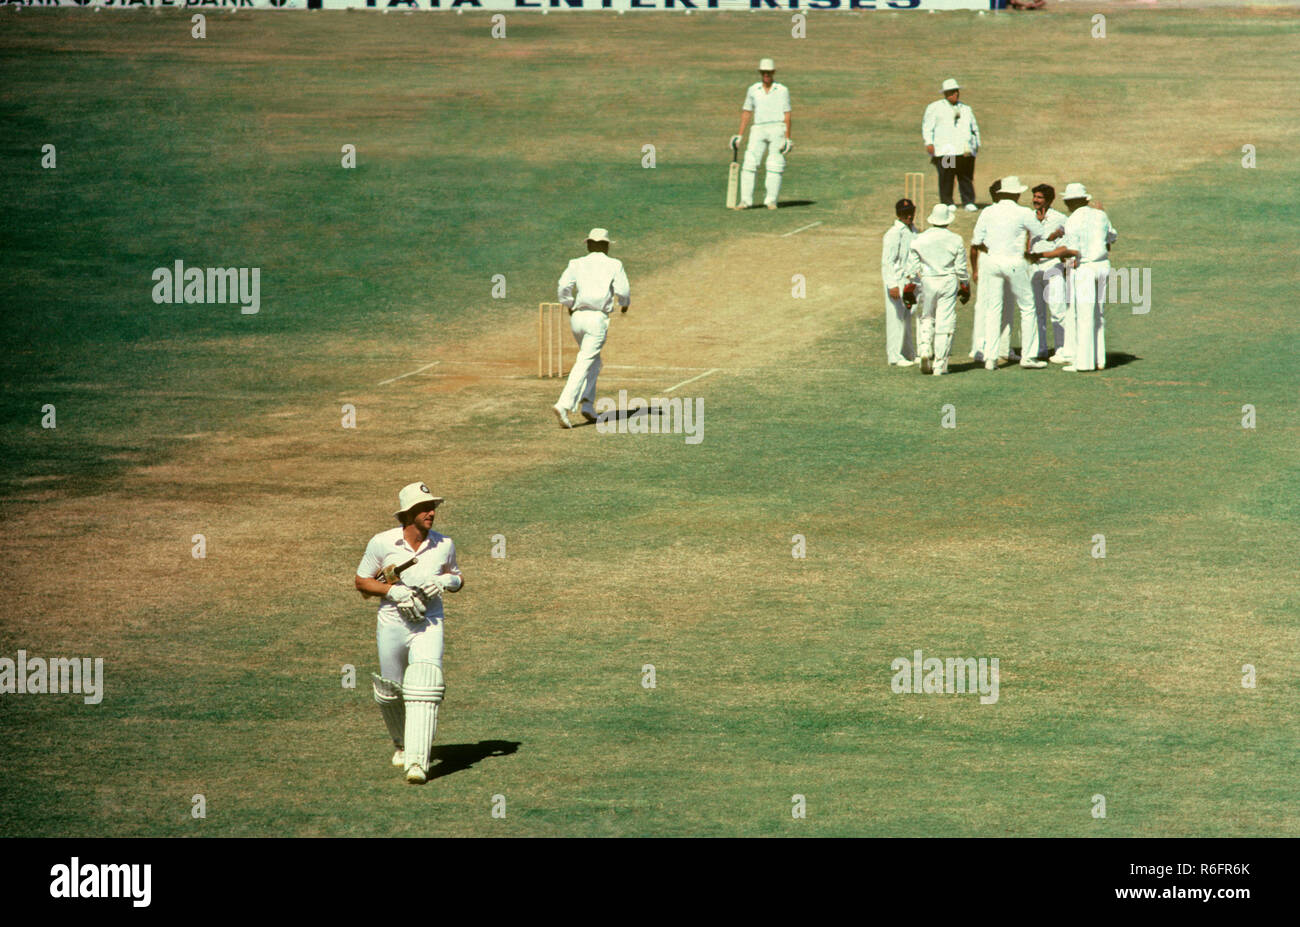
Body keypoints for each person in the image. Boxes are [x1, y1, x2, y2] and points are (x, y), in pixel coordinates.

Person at [354, 482, 464, 785]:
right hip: (393, 622)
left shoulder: (444, 544)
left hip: (429, 621)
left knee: (425, 682)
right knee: (392, 690)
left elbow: (457, 577)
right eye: (424, 508)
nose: (431, 512)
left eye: (433, 508)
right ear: (409, 514)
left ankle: (418, 762)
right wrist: (395, 592)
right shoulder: (382, 542)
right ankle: (401, 744)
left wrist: (445, 583)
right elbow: (362, 582)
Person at [1033, 183, 1117, 372]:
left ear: (1069, 202)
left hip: (1085, 268)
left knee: (1084, 316)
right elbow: (1111, 237)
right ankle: (1099, 360)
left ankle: (1084, 363)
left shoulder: (1072, 220)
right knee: (1099, 314)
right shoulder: (1101, 214)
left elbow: (1072, 251)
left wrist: (1048, 254)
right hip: (1103, 265)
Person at [552, 228, 631, 428]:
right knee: (585, 361)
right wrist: (624, 303)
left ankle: (587, 405)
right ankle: (563, 404)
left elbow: (563, 287)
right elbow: (623, 290)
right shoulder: (614, 264)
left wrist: (569, 304)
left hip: (577, 318)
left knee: (594, 362)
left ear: (588, 244)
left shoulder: (576, 263)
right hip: (597, 319)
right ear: (606, 245)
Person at [969, 176, 1045, 370]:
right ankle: (1028, 357)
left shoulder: (988, 211)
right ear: (1017, 194)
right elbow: (1040, 232)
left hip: (992, 262)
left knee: (993, 309)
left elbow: (977, 240)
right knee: (1028, 308)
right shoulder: (1023, 212)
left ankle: (990, 358)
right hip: (1014, 263)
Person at [905, 204, 970, 376]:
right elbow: (961, 269)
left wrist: (910, 285)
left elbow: (912, 268)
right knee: (945, 322)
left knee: (927, 317)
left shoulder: (919, 239)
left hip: (927, 280)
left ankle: (925, 350)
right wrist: (965, 284)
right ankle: (940, 365)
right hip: (947, 281)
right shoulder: (956, 239)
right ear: (948, 220)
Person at [730, 58, 792, 211]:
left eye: (769, 72)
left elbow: (787, 114)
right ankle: (745, 201)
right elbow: (747, 111)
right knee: (749, 163)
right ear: (760, 73)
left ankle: (771, 201)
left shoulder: (782, 90)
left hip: (777, 128)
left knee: (775, 164)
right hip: (758, 128)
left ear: (773, 73)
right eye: (764, 72)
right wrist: (740, 135)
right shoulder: (753, 89)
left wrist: (787, 138)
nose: (766, 75)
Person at [922, 78, 981, 213]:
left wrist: (977, 143)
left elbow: (974, 127)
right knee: (947, 176)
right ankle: (947, 202)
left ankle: (968, 201)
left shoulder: (966, 109)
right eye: (951, 92)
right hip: (946, 149)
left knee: (965, 176)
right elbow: (927, 127)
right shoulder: (935, 108)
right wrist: (929, 142)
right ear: (945, 93)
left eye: (956, 92)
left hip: (964, 149)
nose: (955, 94)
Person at [1029, 184, 1070, 362]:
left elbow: (1066, 246)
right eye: (1034, 197)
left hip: (1053, 267)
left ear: (1049, 200)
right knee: (1037, 311)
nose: (1035, 200)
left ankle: (1062, 349)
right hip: (1033, 269)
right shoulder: (1028, 217)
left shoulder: (1061, 218)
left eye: (1039, 197)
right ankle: (1041, 348)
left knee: (1058, 310)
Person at [881, 198, 919, 367]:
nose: (909, 216)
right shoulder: (893, 233)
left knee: (907, 317)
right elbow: (887, 261)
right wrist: (892, 284)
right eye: (905, 214)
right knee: (896, 318)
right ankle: (894, 356)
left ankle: (909, 353)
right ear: (898, 215)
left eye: (911, 212)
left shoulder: (913, 230)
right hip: (897, 280)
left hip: (910, 280)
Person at [968, 178, 1001, 362]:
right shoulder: (988, 213)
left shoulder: (1014, 213)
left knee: (1004, 306)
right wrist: (975, 270)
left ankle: (1002, 348)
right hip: (989, 262)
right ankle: (979, 348)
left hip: (1007, 262)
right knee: (984, 305)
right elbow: (975, 243)